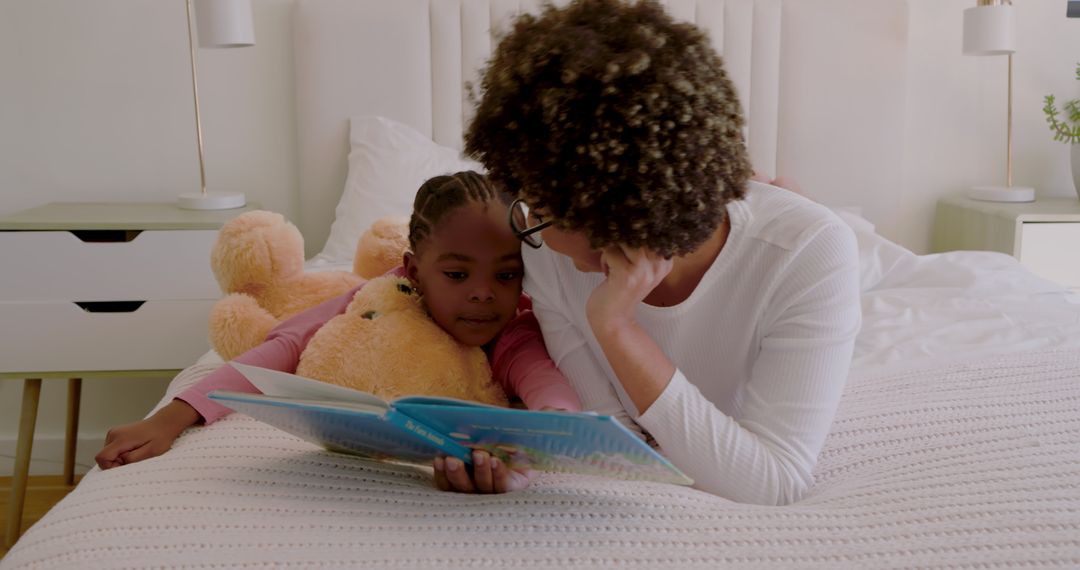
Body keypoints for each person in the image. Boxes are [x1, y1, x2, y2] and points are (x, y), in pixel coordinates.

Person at [464, 0, 861, 505]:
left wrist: (617, 329)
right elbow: (618, 446)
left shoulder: (810, 252)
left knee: (796, 220)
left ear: (622, 210)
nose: (532, 228)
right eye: (527, 203)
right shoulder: (544, 246)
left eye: (544, 211)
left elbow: (774, 481)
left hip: (776, 236)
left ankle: (778, 190)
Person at [95, 171, 581, 494]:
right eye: (457, 275)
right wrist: (171, 417)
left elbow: (549, 391)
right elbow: (286, 347)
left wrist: (531, 451)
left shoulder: (514, 324)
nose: (483, 294)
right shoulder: (383, 295)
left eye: (505, 274)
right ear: (412, 270)